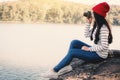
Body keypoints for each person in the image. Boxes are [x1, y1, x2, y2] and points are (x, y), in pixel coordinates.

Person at [41, 2, 113, 79]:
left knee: (73, 52)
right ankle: (67, 65)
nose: (92, 14)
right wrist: (88, 23)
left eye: (93, 12)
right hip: (96, 51)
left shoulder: (103, 28)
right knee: (74, 42)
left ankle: (54, 71)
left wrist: (89, 49)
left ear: (98, 15)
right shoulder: (97, 25)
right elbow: (87, 35)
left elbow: (104, 46)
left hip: (99, 56)